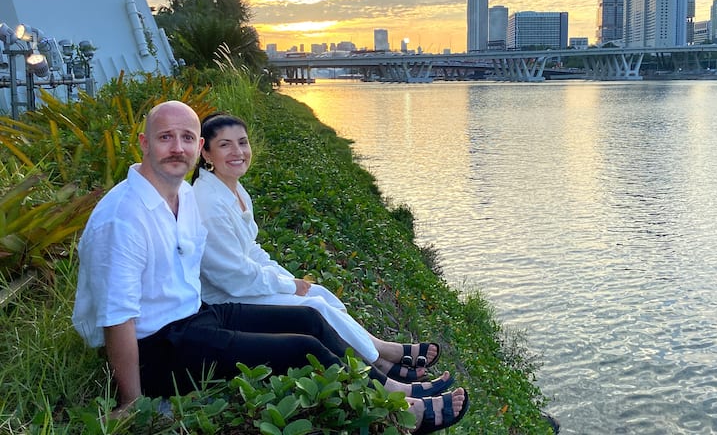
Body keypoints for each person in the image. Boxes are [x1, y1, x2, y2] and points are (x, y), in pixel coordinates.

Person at [71, 101, 468, 433]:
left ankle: (391, 387)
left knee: (310, 320)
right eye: (165, 138)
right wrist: (132, 402)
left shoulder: (183, 196)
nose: (178, 148)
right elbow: (117, 318)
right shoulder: (123, 218)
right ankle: (401, 412)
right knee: (301, 349)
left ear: (198, 147)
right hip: (157, 347)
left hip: (195, 317)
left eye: (187, 138)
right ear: (144, 143)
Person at [192, 112, 438, 383]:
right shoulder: (209, 203)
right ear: (206, 152)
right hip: (226, 299)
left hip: (243, 285)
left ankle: (377, 351)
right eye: (225, 145)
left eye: (242, 142)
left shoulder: (233, 189)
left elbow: (251, 249)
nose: (238, 152)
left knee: (319, 293)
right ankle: (378, 361)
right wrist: (287, 286)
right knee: (315, 306)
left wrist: (287, 279)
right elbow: (232, 276)